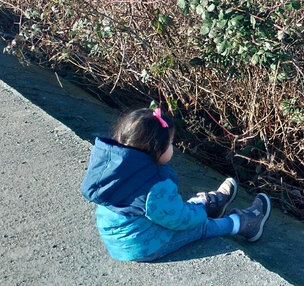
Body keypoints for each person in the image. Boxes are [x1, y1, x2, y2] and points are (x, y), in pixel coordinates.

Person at [81, 107, 271, 262]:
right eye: (171, 143)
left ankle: (209, 204)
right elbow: (178, 218)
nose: (173, 148)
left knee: (170, 207)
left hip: (120, 238)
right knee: (200, 226)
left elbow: (160, 209)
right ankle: (243, 224)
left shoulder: (114, 167)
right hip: (144, 246)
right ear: (156, 149)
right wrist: (199, 215)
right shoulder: (153, 185)